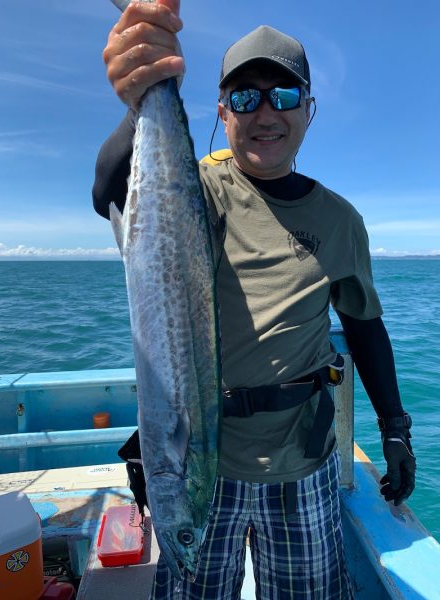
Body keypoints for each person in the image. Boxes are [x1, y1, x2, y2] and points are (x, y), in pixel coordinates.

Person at [93, 1, 416, 598]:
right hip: (204, 472)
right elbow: (110, 189)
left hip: (302, 463)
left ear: (310, 110)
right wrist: (141, 93)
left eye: (283, 95)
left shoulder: (342, 221)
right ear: (222, 111)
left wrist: (396, 429)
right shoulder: (200, 187)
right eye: (245, 97)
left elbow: (366, 329)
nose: (265, 112)